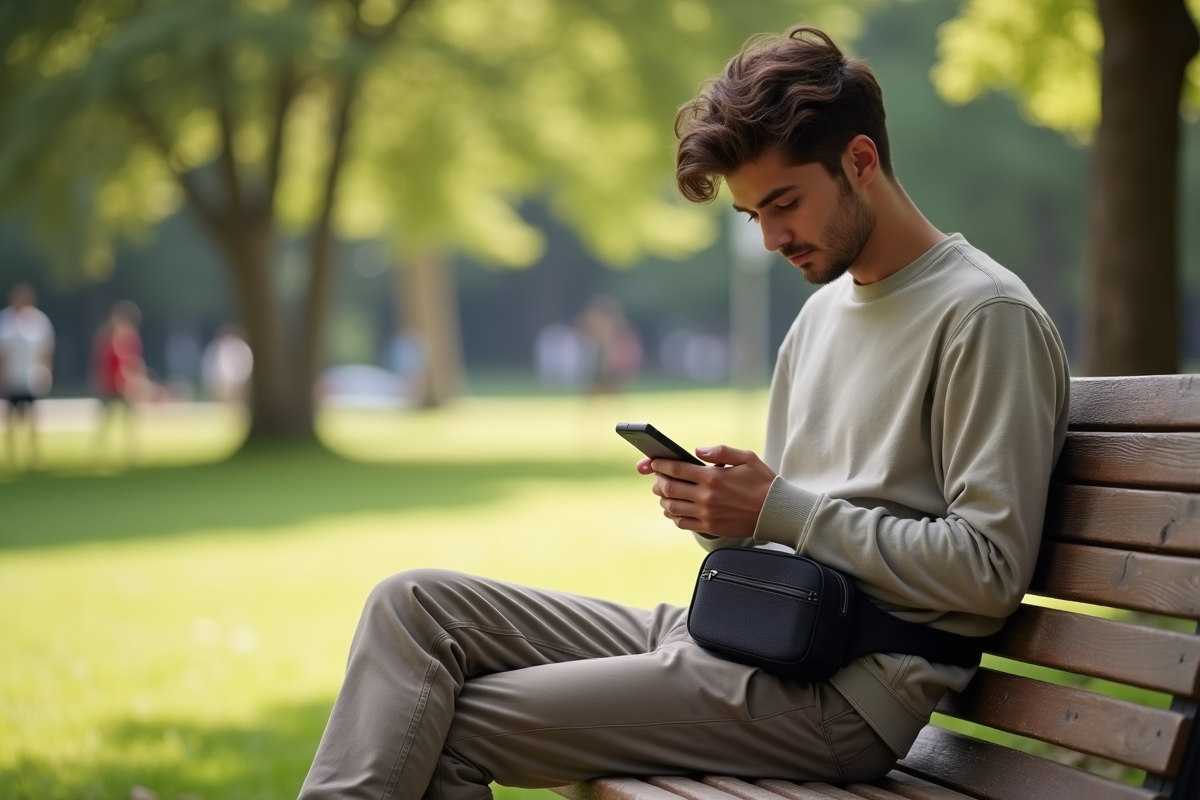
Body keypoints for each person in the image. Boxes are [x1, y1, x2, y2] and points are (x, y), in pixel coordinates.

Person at [298, 26, 1069, 799]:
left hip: (841, 691)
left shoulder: (984, 315)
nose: (771, 238)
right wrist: (724, 512)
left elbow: (990, 572)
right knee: (413, 606)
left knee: (449, 721)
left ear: (860, 162)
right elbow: (791, 524)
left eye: (785, 203)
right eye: (751, 216)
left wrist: (779, 510)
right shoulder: (822, 317)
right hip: (750, 632)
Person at [0, 284, 55, 469]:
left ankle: (34, 456)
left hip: (32, 377)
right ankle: (13, 456)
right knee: (12, 418)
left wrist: (47, 373)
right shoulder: (5, 320)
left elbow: (46, 350)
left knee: (33, 417)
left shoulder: (39, 321)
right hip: (11, 378)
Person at [92, 300, 146, 465]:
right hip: (110, 386)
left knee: (128, 420)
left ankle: (131, 454)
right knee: (106, 421)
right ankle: (98, 455)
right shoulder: (107, 338)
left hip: (124, 386)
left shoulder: (130, 338)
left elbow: (133, 362)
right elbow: (103, 364)